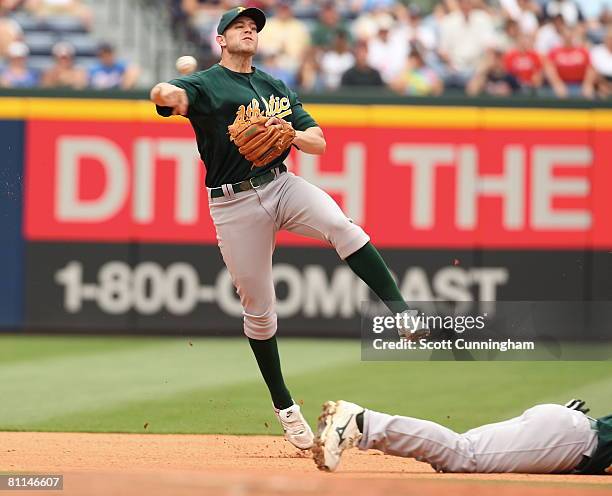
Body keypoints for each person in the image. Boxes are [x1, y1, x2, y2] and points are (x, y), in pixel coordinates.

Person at [150, 6, 426, 451]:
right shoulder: (204, 84)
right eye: (238, 26)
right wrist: (170, 94)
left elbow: (318, 141)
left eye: (253, 26)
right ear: (220, 40)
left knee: (342, 225)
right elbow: (162, 93)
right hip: (233, 203)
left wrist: (289, 133)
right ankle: (285, 408)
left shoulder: (274, 86)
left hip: (282, 184)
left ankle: (402, 313)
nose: (248, 30)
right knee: (259, 308)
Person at [313, 399, 612, 474]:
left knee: (458, 449)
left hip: (570, 428)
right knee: (463, 455)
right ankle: (363, 422)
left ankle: (363, 423)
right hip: (575, 441)